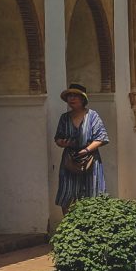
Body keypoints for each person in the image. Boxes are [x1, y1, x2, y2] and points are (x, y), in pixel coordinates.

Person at [54, 82, 108, 212]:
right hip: (70, 160)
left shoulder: (92, 116)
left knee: (93, 192)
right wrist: (62, 143)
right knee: (67, 192)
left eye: (75, 96)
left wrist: (86, 150)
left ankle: (91, 227)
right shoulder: (64, 118)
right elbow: (58, 138)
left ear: (83, 99)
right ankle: (69, 227)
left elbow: (102, 138)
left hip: (90, 160)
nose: (71, 98)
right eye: (69, 96)